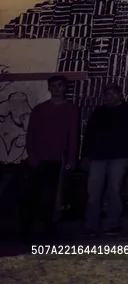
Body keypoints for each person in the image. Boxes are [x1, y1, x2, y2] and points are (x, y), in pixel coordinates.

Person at [80, 83, 128, 235]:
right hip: (97, 157)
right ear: (104, 96)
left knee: (114, 189)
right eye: (107, 94)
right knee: (93, 191)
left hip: (119, 156)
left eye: (113, 93)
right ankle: (91, 225)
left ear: (120, 94)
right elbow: (89, 135)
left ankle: (112, 224)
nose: (110, 96)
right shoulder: (98, 112)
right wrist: (85, 156)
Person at [21, 75, 79, 239]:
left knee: (53, 197)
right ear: (49, 88)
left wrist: (71, 159)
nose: (56, 89)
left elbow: (73, 136)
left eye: (59, 86)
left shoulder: (71, 110)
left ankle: (48, 231)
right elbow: (31, 134)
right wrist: (32, 156)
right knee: (32, 194)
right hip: (39, 159)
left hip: (58, 160)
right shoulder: (39, 109)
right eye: (53, 86)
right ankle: (26, 230)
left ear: (64, 88)